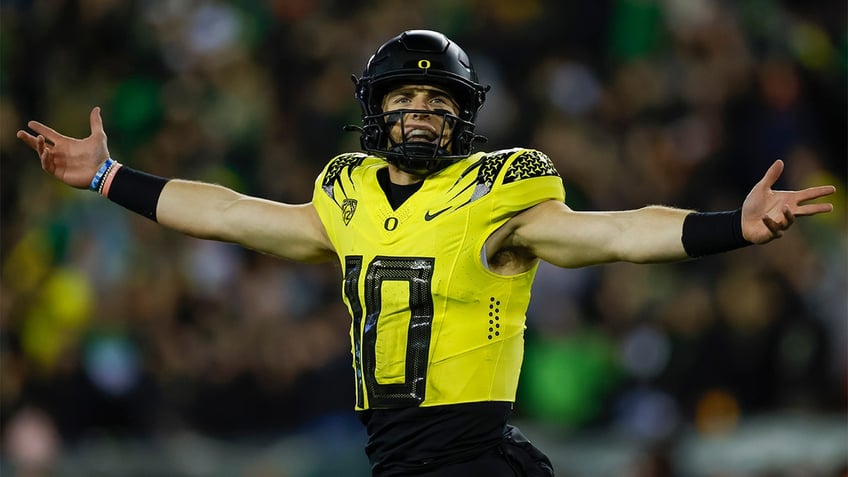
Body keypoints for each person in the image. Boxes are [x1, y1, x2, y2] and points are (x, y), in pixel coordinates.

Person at [16, 30, 835, 477]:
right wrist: (109, 178)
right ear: (375, 110)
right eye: (402, 97)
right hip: (397, 454)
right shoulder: (347, 193)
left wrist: (731, 223)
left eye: (435, 99)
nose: (417, 111)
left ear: (463, 116)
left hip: (467, 453)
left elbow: (614, 232)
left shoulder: (501, 189)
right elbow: (230, 212)